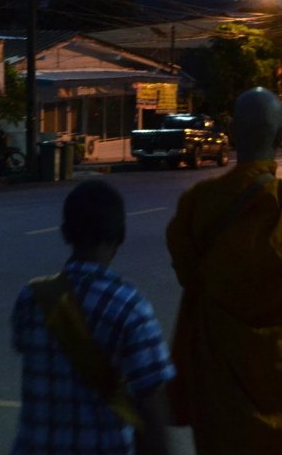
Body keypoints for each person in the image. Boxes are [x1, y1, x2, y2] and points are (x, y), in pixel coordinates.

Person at [166, 87, 282, 455]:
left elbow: (190, 276)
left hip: (219, 382)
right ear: (279, 138)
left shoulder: (198, 205)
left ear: (229, 131)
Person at [10, 179, 174, 455]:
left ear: (64, 233)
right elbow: (151, 408)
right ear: (119, 236)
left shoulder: (31, 298)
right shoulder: (130, 307)